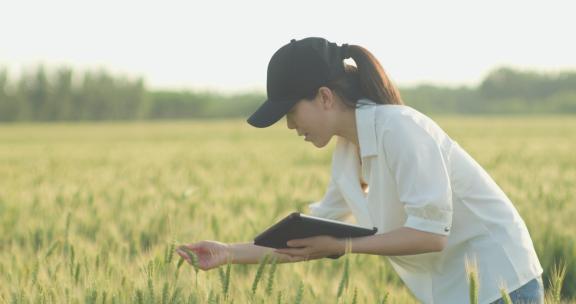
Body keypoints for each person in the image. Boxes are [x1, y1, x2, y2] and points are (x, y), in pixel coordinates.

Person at [176, 37, 544, 304]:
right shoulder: (346, 153)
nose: (289, 127)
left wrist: (343, 245)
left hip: (503, 286)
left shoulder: (400, 128)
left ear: (324, 97)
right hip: (453, 292)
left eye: (290, 113)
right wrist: (227, 253)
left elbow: (432, 235)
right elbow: (305, 241)